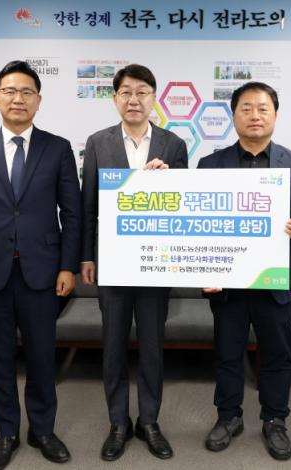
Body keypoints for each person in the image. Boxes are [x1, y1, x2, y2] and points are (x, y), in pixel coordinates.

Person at [0, 60, 81, 470]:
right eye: (10, 91)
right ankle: (6, 431)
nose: (18, 98)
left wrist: (68, 266)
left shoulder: (58, 148)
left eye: (27, 92)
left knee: (42, 356)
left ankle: (42, 430)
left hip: (43, 272)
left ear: (39, 100)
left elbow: (72, 213)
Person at [198, 82, 291, 461]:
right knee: (227, 353)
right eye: (246, 108)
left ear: (275, 115)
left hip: (275, 280)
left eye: (263, 108)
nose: (255, 115)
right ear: (234, 115)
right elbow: (198, 222)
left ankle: (275, 420)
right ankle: (228, 416)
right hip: (227, 282)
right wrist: (203, 267)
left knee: (277, 355)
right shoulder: (210, 165)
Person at [80, 64, 188, 461]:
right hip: (112, 262)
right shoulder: (98, 142)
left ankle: (149, 421)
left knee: (153, 346)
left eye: (142, 92)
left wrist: (167, 180)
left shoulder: (173, 144)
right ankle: (118, 423)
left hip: (156, 261)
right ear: (115, 99)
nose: (134, 99)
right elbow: (88, 204)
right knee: (113, 345)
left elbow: (184, 203)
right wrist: (87, 255)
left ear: (154, 98)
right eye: (126, 92)